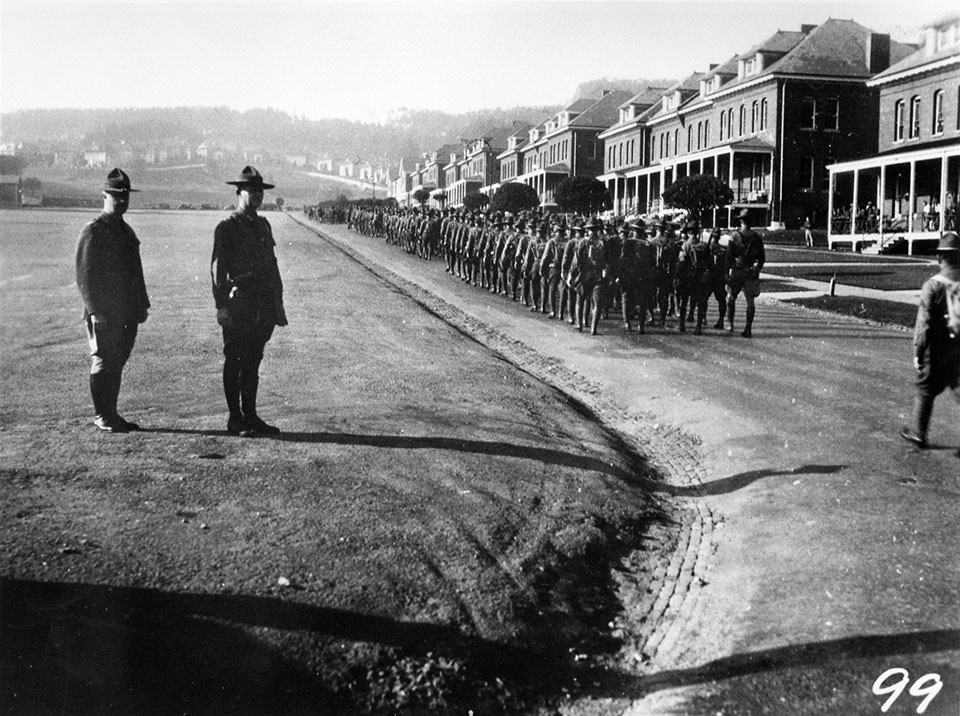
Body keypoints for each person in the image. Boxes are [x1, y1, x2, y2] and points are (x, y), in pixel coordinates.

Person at [211, 166, 288, 437]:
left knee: (253, 361)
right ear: (238, 192)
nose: (256, 195)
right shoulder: (227, 227)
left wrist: (277, 300)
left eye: (259, 191)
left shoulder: (263, 225)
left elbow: (272, 265)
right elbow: (218, 269)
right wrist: (221, 306)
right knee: (235, 360)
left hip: (262, 305)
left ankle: (251, 416)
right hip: (239, 304)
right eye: (250, 190)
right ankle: (236, 419)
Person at [75, 168, 150, 432]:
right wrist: (95, 311)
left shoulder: (126, 231)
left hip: (127, 310)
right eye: (116, 195)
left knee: (117, 361)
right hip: (104, 312)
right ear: (104, 196)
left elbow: (136, 272)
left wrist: (143, 304)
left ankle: (112, 413)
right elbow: (84, 275)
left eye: (125, 196)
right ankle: (102, 415)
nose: (122, 200)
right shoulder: (94, 230)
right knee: (104, 360)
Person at [900, 231, 960, 455]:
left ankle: (918, 431)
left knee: (925, 389)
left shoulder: (932, 286)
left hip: (936, 350)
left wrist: (918, 350)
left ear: (939, 257)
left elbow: (923, 323)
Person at [725, 208, 765, 337]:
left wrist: (726, 272)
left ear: (741, 221)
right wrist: (756, 269)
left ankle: (730, 324)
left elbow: (729, 256)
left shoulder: (734, 236)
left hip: (737, 270)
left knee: (731, 297)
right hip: (750, 271)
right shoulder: (757, 237)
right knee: (750, 302)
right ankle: (748, 328)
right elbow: (762, 258)